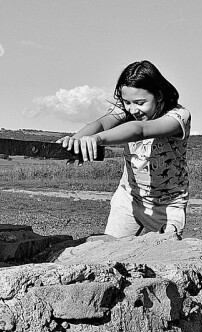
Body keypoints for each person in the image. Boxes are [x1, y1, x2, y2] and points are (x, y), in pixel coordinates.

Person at [58, 60, 191, 238]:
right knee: (110, 252)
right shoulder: (126, 111)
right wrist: (76, 141)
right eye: (127, 102)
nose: (133, 109)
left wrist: (97, 139)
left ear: (159, 95)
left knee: (161, 258)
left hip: (166, 206)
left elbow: (140, 130)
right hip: (129, 198)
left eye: (140, 102)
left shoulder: (177, 116)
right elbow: (101, 123)